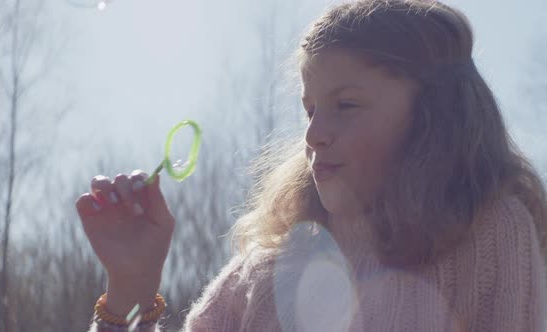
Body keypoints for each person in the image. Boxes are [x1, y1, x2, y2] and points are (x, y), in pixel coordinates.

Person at [76, 0, 547, 331]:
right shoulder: (265, 268)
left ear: (434, 117)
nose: (313, 133)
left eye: (346, 105)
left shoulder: (492, 235)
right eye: (310, 110)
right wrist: (132, 289)